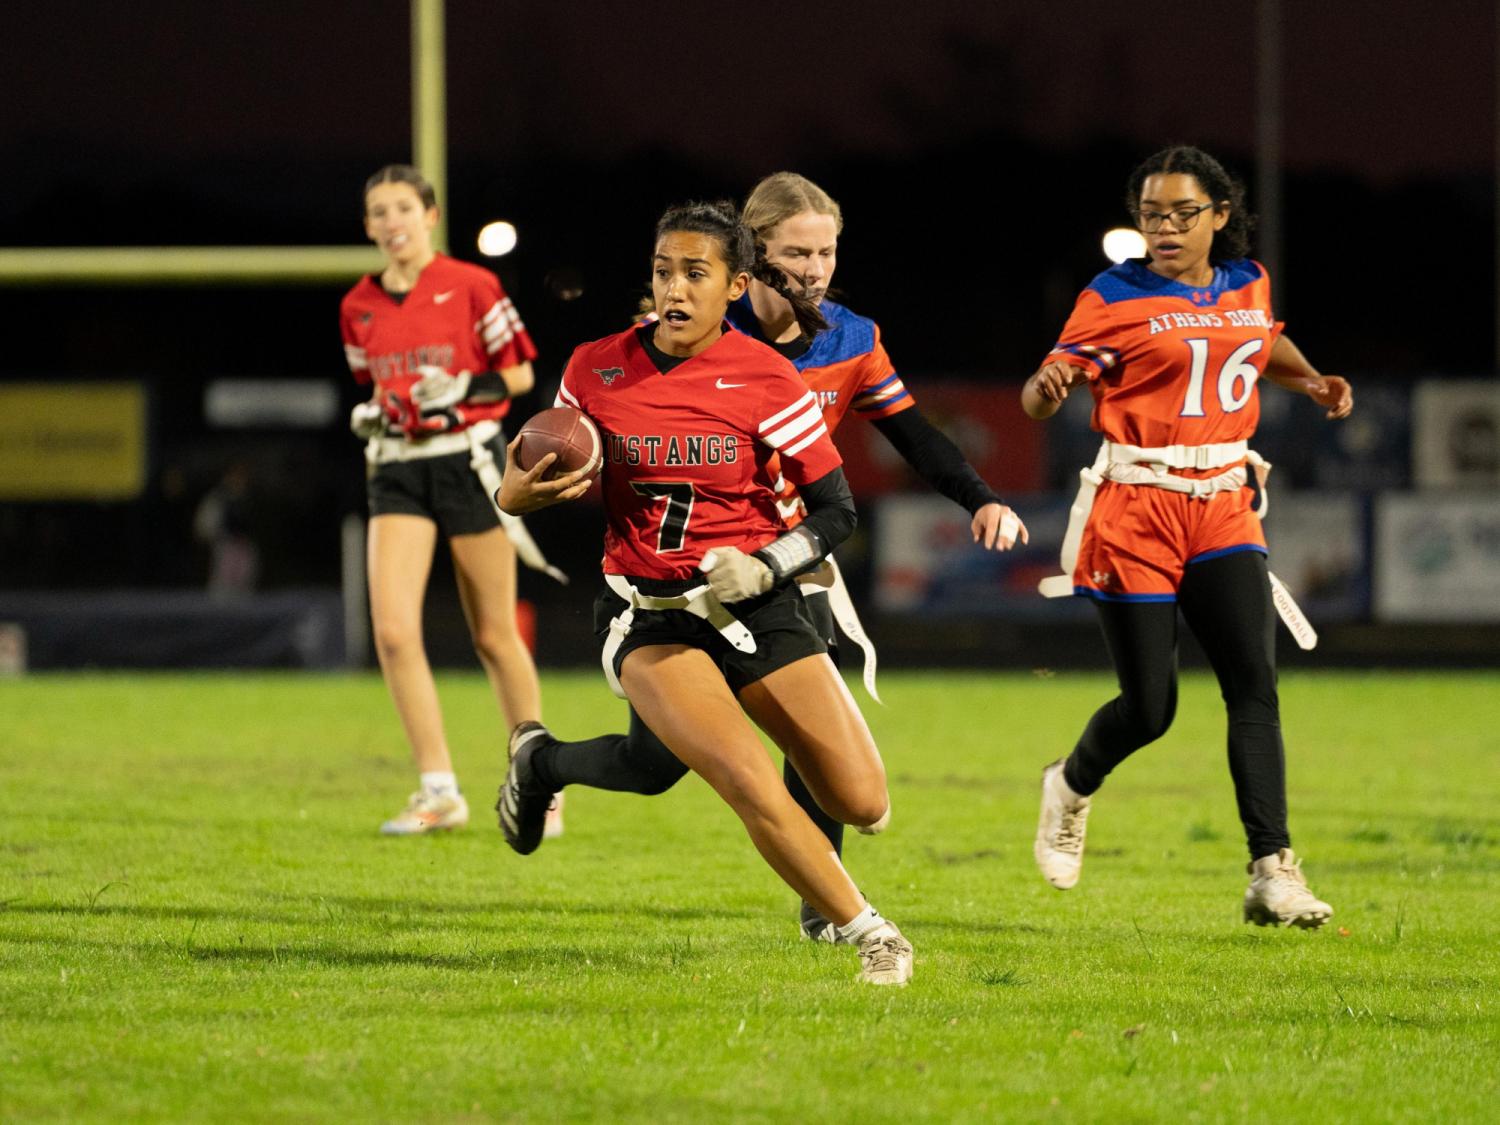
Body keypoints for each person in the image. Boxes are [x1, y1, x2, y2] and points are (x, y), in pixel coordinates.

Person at [498, 172, 1027, 945]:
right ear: (755, 260)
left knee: (852, 791)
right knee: (698, 766)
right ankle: (839, 911)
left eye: (827, 252)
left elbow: (899, 446)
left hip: (783, 560)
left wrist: (978, 494)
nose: (814, 268)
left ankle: (813, 885)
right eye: (798, 251)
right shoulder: (656, 338)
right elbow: (562, 450)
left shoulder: (835, 344)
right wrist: (528, 486)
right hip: (664, 590)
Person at [1022, 145, 1353, 928]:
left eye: (1181, 213)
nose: (1164, 228)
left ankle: (1273, 869)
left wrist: (1307, 377)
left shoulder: (1247, 280)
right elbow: (1044, 393)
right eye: (1150, 214)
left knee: (1253, 685)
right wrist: (1046, 388)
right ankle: (1069, 783)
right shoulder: (1112, 294)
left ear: (1220, 215)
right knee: (1151, 708)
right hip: (1137, 505)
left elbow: (1257, 339)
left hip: (1223, 504)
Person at [340, 163, 562, 838]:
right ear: (369, 225)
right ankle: (438, 788)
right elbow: (374, 383)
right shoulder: (358, 304)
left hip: (468, 459)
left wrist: (463, 384)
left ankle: (539, 780)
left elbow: (520, 372)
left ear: (430, 214)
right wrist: (376, 414)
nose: (392, 222)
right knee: (393, 631)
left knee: (493, 632)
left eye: (403, 208)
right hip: (398, 468)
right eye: (379, 212)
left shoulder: (472, 284)